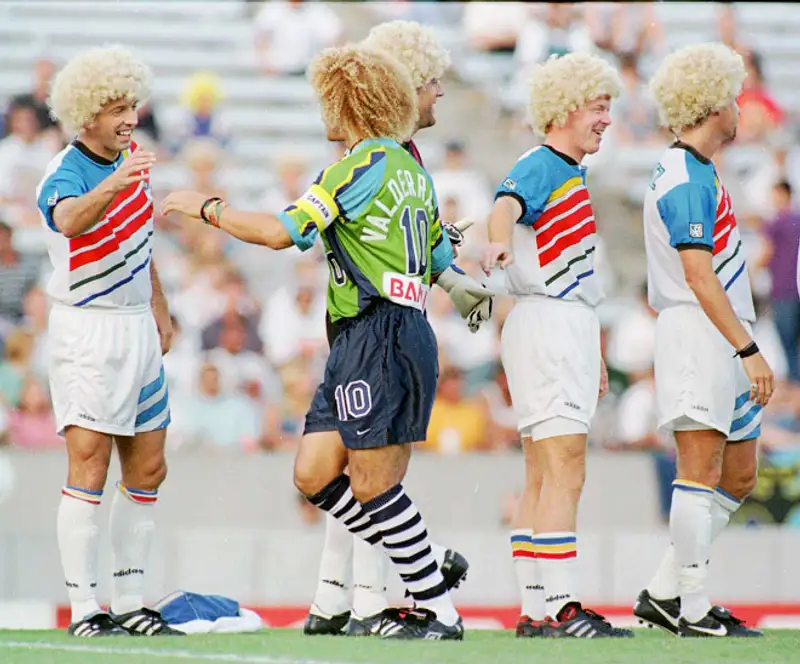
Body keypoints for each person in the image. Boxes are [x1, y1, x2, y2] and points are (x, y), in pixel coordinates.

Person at [162, 44, 464, 641]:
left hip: (377, 333)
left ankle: (440, 613)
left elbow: (282, 234)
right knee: (314, 473)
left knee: (373, 484)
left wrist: (207, 208)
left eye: (328, 101)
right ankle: (427, 563)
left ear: (351, 103)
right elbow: (438, 256)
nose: (323, 112)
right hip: (383, 333)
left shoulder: (357, 166)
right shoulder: (414, 171)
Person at [303, 20, 492, 638]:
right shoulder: (392, 158)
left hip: (371, 331)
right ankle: (365, 593)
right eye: (431, 81)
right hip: (368, 330)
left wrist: (454, 279)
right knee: (357, 473)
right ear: (401, 86)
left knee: (366, 474)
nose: (439, 92)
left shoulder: (390, 159)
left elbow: (426, 248)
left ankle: (353, 600)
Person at [481, 52, 632, 638]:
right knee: (565, 469)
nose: (606, 120)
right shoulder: (543, 162)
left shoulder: (568, 170)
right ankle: (565, 606)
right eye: (598, 107)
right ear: (566, 108)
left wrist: (594, 352)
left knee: (543, 474)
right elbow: (503, 207)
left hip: (557, 324)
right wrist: (497, 243)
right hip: (550, 323)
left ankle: (536, 609)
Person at [36, 45, 179, 638]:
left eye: (132, 107)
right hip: (88, 328)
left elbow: (138, 240)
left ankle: (131, 599)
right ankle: (84, 608)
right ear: (86, 113)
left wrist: (159, 303)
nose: (129, 119)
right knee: (89, 462)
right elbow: (68, 220)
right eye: (117, 109)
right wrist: (117, 182)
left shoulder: (129, 163)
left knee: (149, 465)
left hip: (136, 324)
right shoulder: (66, 169)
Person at [633, 42, 769, 638]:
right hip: (699, 328)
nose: (740, 108)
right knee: (698, 468)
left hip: (719, 328)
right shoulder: (685, 175)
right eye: (734, 97)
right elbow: (697, 274)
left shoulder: (698, 169)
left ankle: (666, 591)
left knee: (738, 473)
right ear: (714, 105)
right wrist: (748, 349)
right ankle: (691, 607)